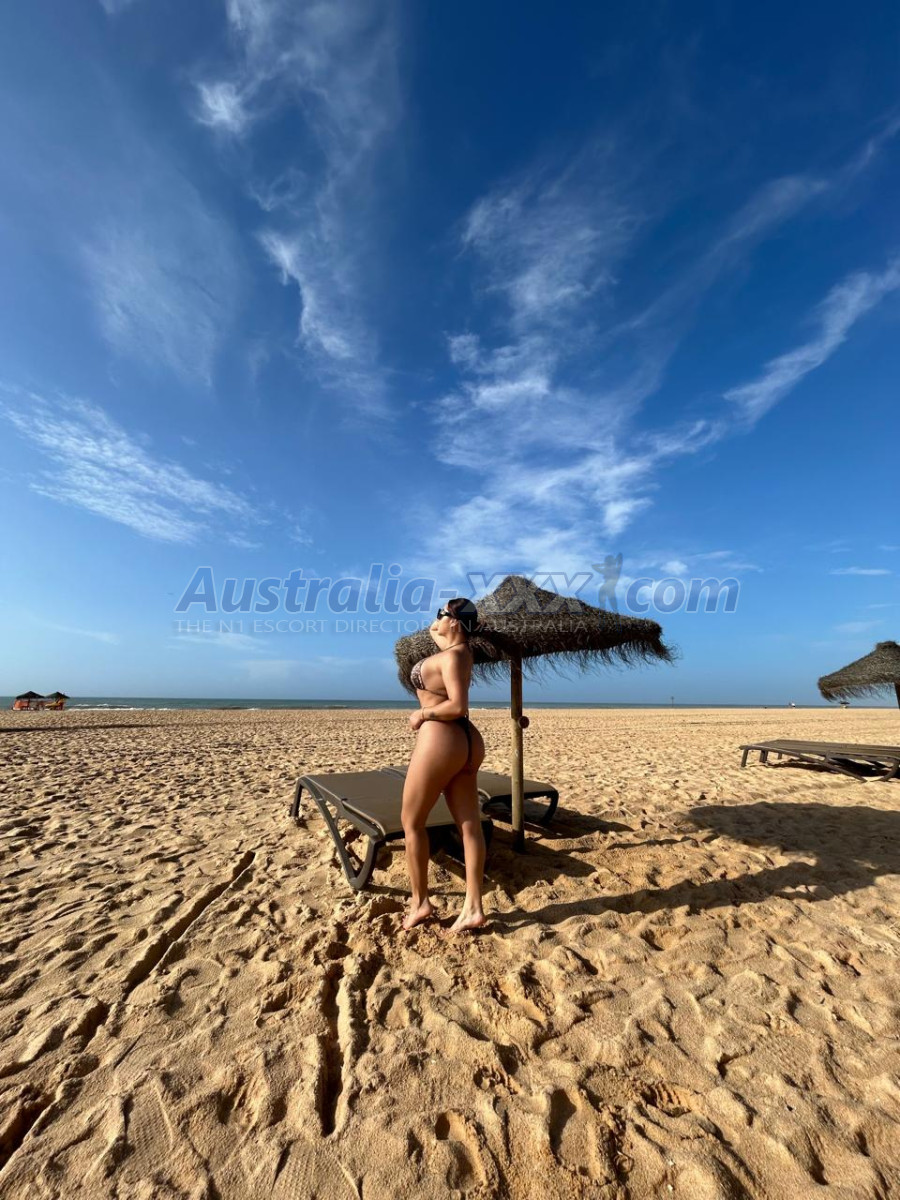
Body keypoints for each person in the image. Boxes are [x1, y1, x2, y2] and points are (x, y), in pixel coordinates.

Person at [402, 597, 487, 933]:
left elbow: (457, 706)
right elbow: (436, 632)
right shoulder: (460, 651)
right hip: (466, 742)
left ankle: (420, 903)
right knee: (469, 825)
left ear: (455, 622)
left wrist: (422, 714)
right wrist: (444, 619)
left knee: (411, 822)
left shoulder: (452, 657)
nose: (434, 619)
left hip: (442, 736)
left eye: (441, 614)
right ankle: (473, 908)